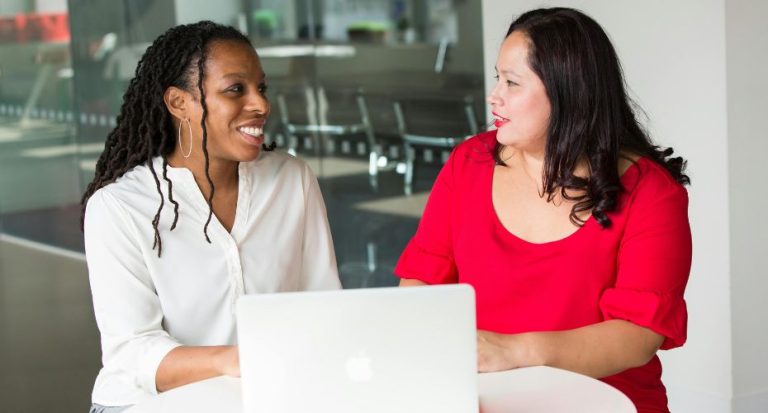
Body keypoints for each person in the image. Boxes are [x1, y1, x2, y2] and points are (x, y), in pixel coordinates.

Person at [395, 7, 691, 413]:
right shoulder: (469, 162)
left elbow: (638, 336)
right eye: (498, 77)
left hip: (607, 403)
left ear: (569, 92)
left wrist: (511, 351)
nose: (494, 95)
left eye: (512, 82)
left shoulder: (652, 193)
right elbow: (422, 281)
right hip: (482, 400)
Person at [80, 21, 341, 413]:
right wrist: (230, 360)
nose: (261, 104)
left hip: (266, 395)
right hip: (148, 403)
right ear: (178, 103)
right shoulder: (119, 207)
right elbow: (132, 350)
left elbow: (323, 301)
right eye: (236, 89)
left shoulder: (291, 180)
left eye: (261, 88)